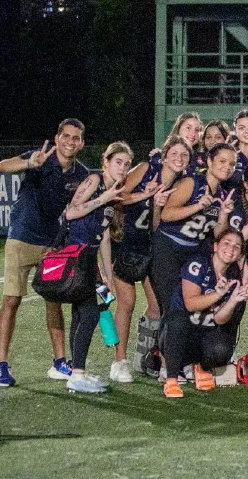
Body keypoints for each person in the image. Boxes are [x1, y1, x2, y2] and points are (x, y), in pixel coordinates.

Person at [0, 119, 89, 387]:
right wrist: (29, 163)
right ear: (57, 137)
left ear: (81, 143)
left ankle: (59, 361)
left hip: (51, 244)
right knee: (11, 301)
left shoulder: (80, 174)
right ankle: (1, 364)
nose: (70, 141)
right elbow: (3, 166)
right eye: (66, 136)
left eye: (76, 138)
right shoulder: (40, 157)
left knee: (54, 299)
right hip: (21, 237)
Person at [110, 135, 191, 382]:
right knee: (127, 302)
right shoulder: (147, 169)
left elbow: (156, 226)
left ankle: (144, 356)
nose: (179, 159)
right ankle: (118, 361)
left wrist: (156, 205)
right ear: (164, 156)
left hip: (150, 248)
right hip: (124, 243)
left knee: (158, 307)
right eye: (174, 154)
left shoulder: (181, 185)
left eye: (184, 155)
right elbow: (118, 195)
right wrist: (144, 195)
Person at [63, 142, 130, 393]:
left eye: (126, 164)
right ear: (106, 161)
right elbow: (70, 213)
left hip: (89, 258)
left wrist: (108, 274)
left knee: (81, 314)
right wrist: (103, 198)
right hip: (75, 255)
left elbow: (103, 237)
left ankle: (76, 371)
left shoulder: (113, 193)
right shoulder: (94, 181)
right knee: (90, 313)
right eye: (118, 162)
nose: (122, 168)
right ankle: (77, 374)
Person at [161, 229, 248, 398]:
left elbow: (219, 319)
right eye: (227, 243)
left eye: (237, 247)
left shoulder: (233, 276)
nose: (231, 249)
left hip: (203, 332)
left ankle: (201, 368)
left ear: (240, 254)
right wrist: (217, 294)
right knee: (178, 322)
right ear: (215, 246)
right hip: (177, 333)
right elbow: (190, 304)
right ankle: (171, 378)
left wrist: (232, 301)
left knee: (222, 350)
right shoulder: (198, 264)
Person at [151, 143, 236, 319]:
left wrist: (223, 215)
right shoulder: (192, 182)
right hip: (169, 247)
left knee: (186, 307)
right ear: (209, 161)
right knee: (171, 307)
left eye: (232, 164)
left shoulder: (221, 193)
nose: (227, 167)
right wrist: (197, 206)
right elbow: (166, 214)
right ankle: (161, 347)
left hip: (192, 251)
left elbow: (218, 234)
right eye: (222, 161)